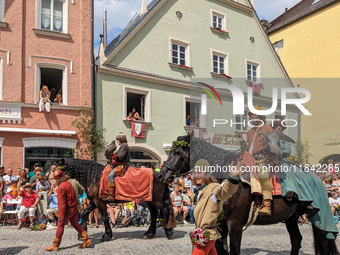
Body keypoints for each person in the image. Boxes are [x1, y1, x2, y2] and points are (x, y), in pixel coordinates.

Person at [273, 120, 339, 239]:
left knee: (289, 172)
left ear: (282, 129)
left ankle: (295, 193)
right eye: (276, 126)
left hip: (282, 161)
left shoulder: (285, 139)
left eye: (280, 127)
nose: (278, 128)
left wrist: (278, 151)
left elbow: (287, 151)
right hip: (270, 161)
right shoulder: (270, 137)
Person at [185, 159, 242, 255]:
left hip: (206, 235)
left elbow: (224, 191)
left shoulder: (214, 187)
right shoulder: (201, 190)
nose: (197, 175)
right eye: (195, 173)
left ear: (207, 173)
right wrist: (191, 195)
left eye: (200, 172)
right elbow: (201, 199)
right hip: (204, 234)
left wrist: (232, 177)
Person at [44, 169, 91, 251]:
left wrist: (61, 215)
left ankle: (55, 245)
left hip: (68, 209)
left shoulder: (61, 187)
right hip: (74, 207)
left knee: (60, 225)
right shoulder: (69, 183)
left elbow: (62, 203)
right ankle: (86, 240)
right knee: (75, 223)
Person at [246, 105, 276, 216]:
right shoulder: (249, 132)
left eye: (255, 114)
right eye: (251, 115)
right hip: (251, 160)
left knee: (263, 175)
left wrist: (266, 152)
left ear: (261, 116)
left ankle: (267, 205)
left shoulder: (268, 129)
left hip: (266, 159)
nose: (253, 116)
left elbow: (274, 146)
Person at [105, 132, 130, 201]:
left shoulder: (124, 145)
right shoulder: (123, 145)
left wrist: (112, 156)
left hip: (122, 166)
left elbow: (120, 157)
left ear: (121, 139)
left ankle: (112, 196)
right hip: (120, 164)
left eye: (118, 140)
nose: (117, 141)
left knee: (110, 176)